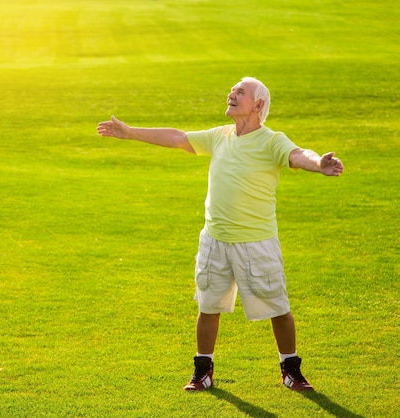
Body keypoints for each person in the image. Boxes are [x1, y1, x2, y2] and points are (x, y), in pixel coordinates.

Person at [97, 77, 344, 392]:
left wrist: (318, 163)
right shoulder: (220, 136)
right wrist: (130, 132)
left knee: (278, 308)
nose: (232, 93)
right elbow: (178, 137)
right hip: (215, 239)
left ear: (258, 105)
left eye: (240, 91)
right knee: (208, 305)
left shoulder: (272, 140)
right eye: (232, 89)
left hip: (257, 242)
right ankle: (203, 370)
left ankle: (290, 369)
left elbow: (298, 155)